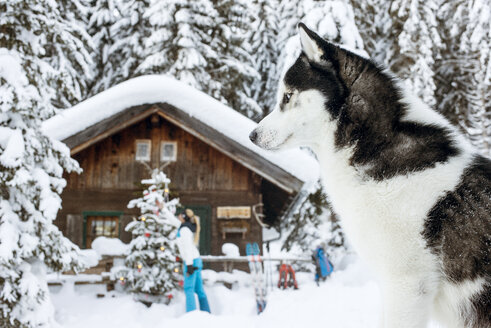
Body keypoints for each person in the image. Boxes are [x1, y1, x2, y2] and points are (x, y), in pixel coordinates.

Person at [176, 209, 210, 313]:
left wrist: (189, 265)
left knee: (188, 289)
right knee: (199, 290)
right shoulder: (185, 226)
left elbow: (187, 248)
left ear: (183, 217)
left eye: (180, 215)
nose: (178, 216)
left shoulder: (184, 230)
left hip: (191, 261)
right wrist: (163, 208)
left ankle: (191, 315)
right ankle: (206, 313)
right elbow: (172, 220)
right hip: (196, 259)